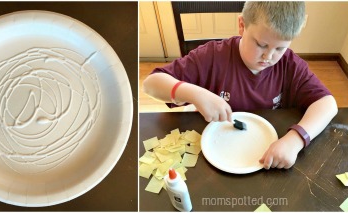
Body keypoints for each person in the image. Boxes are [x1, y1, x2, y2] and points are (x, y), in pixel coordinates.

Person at [143, 1, 337, 169]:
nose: (268, 57)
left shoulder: (289, 65)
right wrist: (192, 93)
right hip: (217, 150)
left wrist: (295, 139)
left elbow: (327, 104)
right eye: (261, 44)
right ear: (242, 25)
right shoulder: (211, 57)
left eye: (280, 48)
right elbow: (151, 83)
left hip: (264, 152)